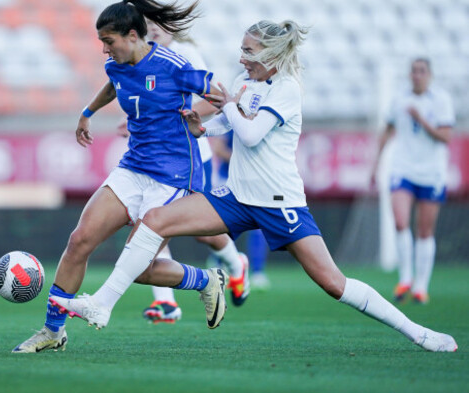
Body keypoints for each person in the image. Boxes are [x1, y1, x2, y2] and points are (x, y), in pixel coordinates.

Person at [52, 20, 458, 352]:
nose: (241, 57)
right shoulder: (245, 84)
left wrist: (226, 104)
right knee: (154, 221)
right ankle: (101, 305)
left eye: (249, 51)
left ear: (272, 55)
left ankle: (418, 333)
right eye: (242, 49)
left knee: (335, 283)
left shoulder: (286, 91)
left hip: (278, 202)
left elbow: (249, 135)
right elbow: (229, 124)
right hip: (236, 198)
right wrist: (202, 128)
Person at [12, 0, 230, 353]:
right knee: (79, 240)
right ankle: (52, 331)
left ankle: (207, 279)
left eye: (108, 42)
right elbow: (115, 83)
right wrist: (87, 112)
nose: (105, 50)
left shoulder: (173, 64)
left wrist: (196, 119)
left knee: (141, 270)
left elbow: (221, 95)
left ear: (132, 35)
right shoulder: (117, 64)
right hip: (134, 167)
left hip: (173, 177)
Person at [139, 18, 250, 324]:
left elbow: (212, 101)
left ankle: (237, 265)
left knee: (200, 231)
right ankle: (166, 304)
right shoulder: (142, 57)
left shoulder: (184, 54)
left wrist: (173, 121)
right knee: (152, 221)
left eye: (157, 21)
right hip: (157, 156)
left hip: (190, 156)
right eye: (146, 22)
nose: (153, 28)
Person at [371, 58, 454, 304]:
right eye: (414, 71)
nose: (417, 75)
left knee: (425, 231)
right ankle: (405, 278)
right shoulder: (399, 99)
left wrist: (421, 119)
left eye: (422, 71)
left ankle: (421, 286)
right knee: (399, 221)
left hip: (432, 172)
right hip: (403, 168)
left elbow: (446, 136)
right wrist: (376, 164)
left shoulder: (440, 100)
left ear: (429, 75)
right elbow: (387, 129)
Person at [209, 130, 271, 290]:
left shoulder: (261, 122)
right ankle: (219, 263)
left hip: (252, 183)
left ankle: (257, 272)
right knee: (223, 225)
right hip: (227, 181)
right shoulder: (233, 122)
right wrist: (240, 161)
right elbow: (218, 148)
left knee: (258, 227)